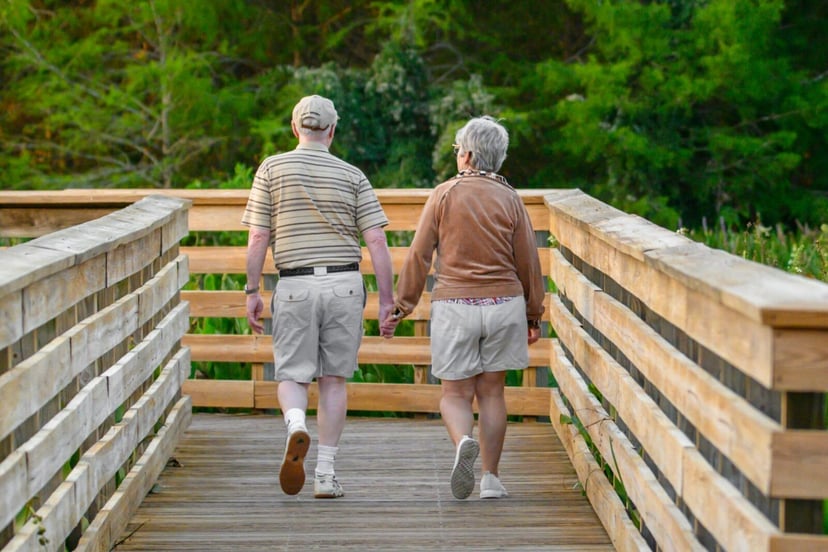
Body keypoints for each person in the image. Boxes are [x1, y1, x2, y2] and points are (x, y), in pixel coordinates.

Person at [382, 116, 545, 500]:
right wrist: (532, 314)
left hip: (455, 304)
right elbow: (528, 261)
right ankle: (490, 478)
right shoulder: (510, 198)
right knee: (492, 393)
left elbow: (420, 255)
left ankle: (461, 444)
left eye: (458, 150)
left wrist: (401, 306)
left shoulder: (443, 194)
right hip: (504, 304)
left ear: (467, 154)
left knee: (455, 394)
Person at [243, 94, 395, 499]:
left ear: (295, 129)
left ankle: (296, 424)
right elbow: (377, 239)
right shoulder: (353, 175)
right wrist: (386, 300)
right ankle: (325, 475)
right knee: (333, 381)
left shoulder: (271, 169)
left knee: (293, 374)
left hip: (294, 284)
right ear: (332, 130)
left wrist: (252, 289)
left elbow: (259, 235)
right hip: (344, 285)